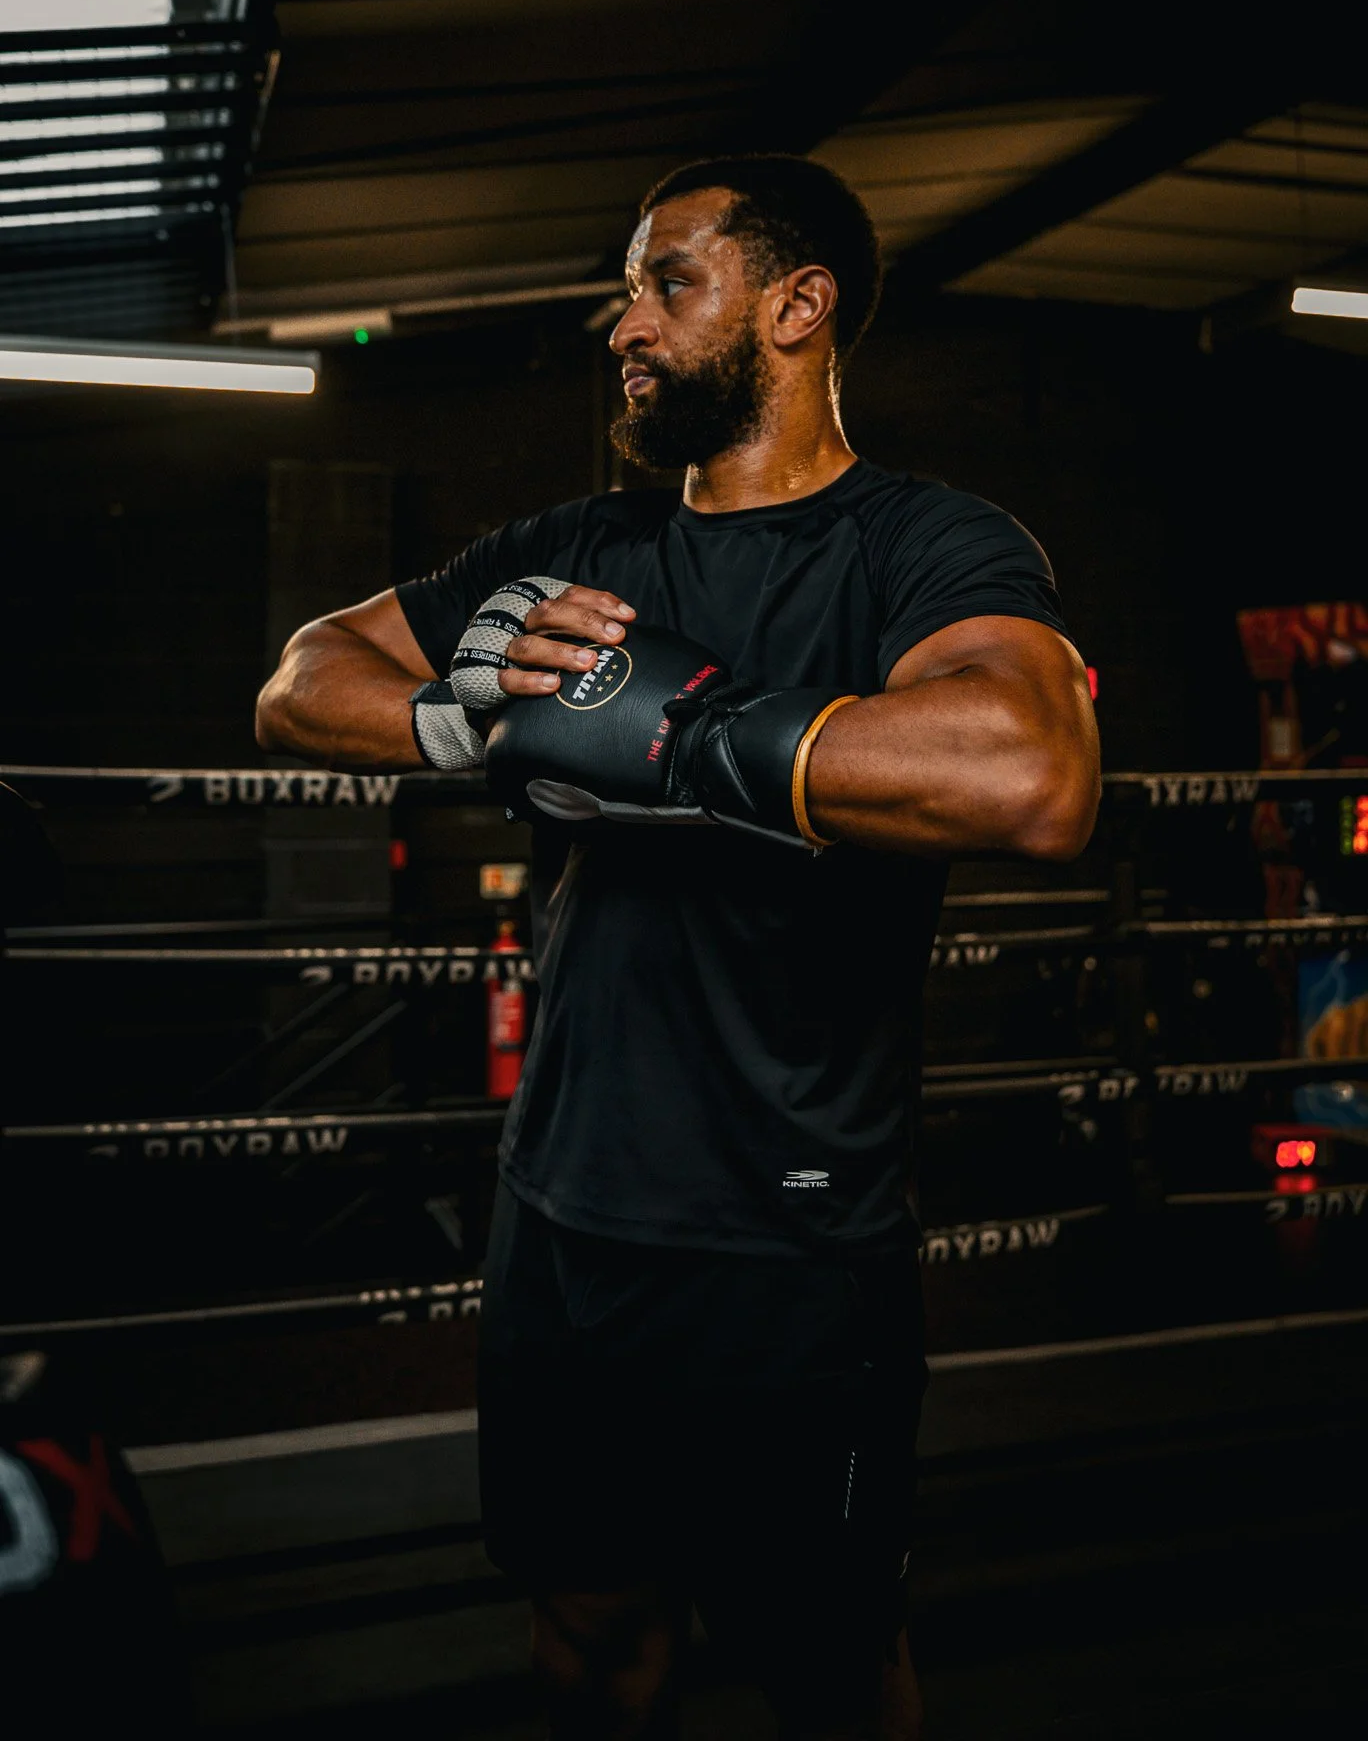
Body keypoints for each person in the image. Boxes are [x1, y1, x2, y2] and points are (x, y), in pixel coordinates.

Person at [256, 154, 1101, 1739]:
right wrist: (465, 722)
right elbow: (304, 677)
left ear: (797, 307)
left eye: (667, 282)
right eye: (627, 287)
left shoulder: (919, 546)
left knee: (827, 1661)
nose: (622, 321)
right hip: (569, 1209)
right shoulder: (585, 549)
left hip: (791, 1236)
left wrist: (675, 730)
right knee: (587, 1633)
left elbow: (1030, 772)